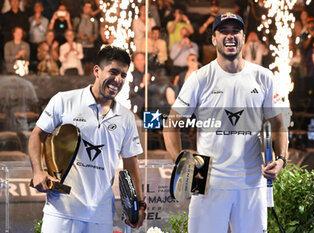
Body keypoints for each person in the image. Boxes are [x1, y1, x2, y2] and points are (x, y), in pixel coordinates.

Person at [163, 12, 287, 233]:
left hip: (251, 182)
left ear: (244, 37)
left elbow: (278, 125)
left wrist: (281, 160)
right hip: (206, 180)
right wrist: (182, 164)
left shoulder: (263, 77)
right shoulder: (200, 78)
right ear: (213, 39)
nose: (230, 36)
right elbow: (171, 124)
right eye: (223, 31)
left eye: (235, 31)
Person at [29, 45, 145, 232]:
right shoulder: (64, 100)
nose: (118, 80)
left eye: (123, 75)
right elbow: (37, 135)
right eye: (113, 72)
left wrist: (139, 204)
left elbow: (131, 163)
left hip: (100, 215)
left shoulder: (127, 117)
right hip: (60, 211)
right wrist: (37, 171)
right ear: (97, 71)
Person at [73, 1, 99, 74]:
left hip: (90, 45)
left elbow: (96, 34)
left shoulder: (94, 21)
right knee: (79, 63)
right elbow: (73, 32)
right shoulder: (77, 19)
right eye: (86, 7)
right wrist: (78, 35)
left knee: (89, 64)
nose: (87, 9)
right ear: (83, 8)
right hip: (79, 44)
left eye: (89, 7)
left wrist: (93, 38)